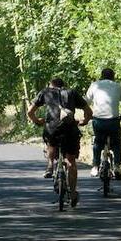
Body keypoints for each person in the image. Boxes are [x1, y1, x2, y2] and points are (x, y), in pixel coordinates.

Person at [27, 77, 92, 206]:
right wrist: (84, 121)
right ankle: (73, 193)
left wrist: (37, 121)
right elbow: (88, 111)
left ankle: (50, 164)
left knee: (51, 139)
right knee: (71, 161)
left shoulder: (45, 92)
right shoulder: (72, 92)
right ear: (64, 85)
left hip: (52, 128)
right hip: (70, 129)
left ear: (50, 85)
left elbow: (30, 111)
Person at [85, 68, 121, 179]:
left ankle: (95, 166)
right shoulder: (117, 86)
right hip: (113, 121)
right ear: (113, 76)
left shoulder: (94, 85)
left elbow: (85, 102)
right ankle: (116, 166)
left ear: (101, 76)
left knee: (97, 142)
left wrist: (87, 115)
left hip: (98, 121)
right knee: (117, 143)